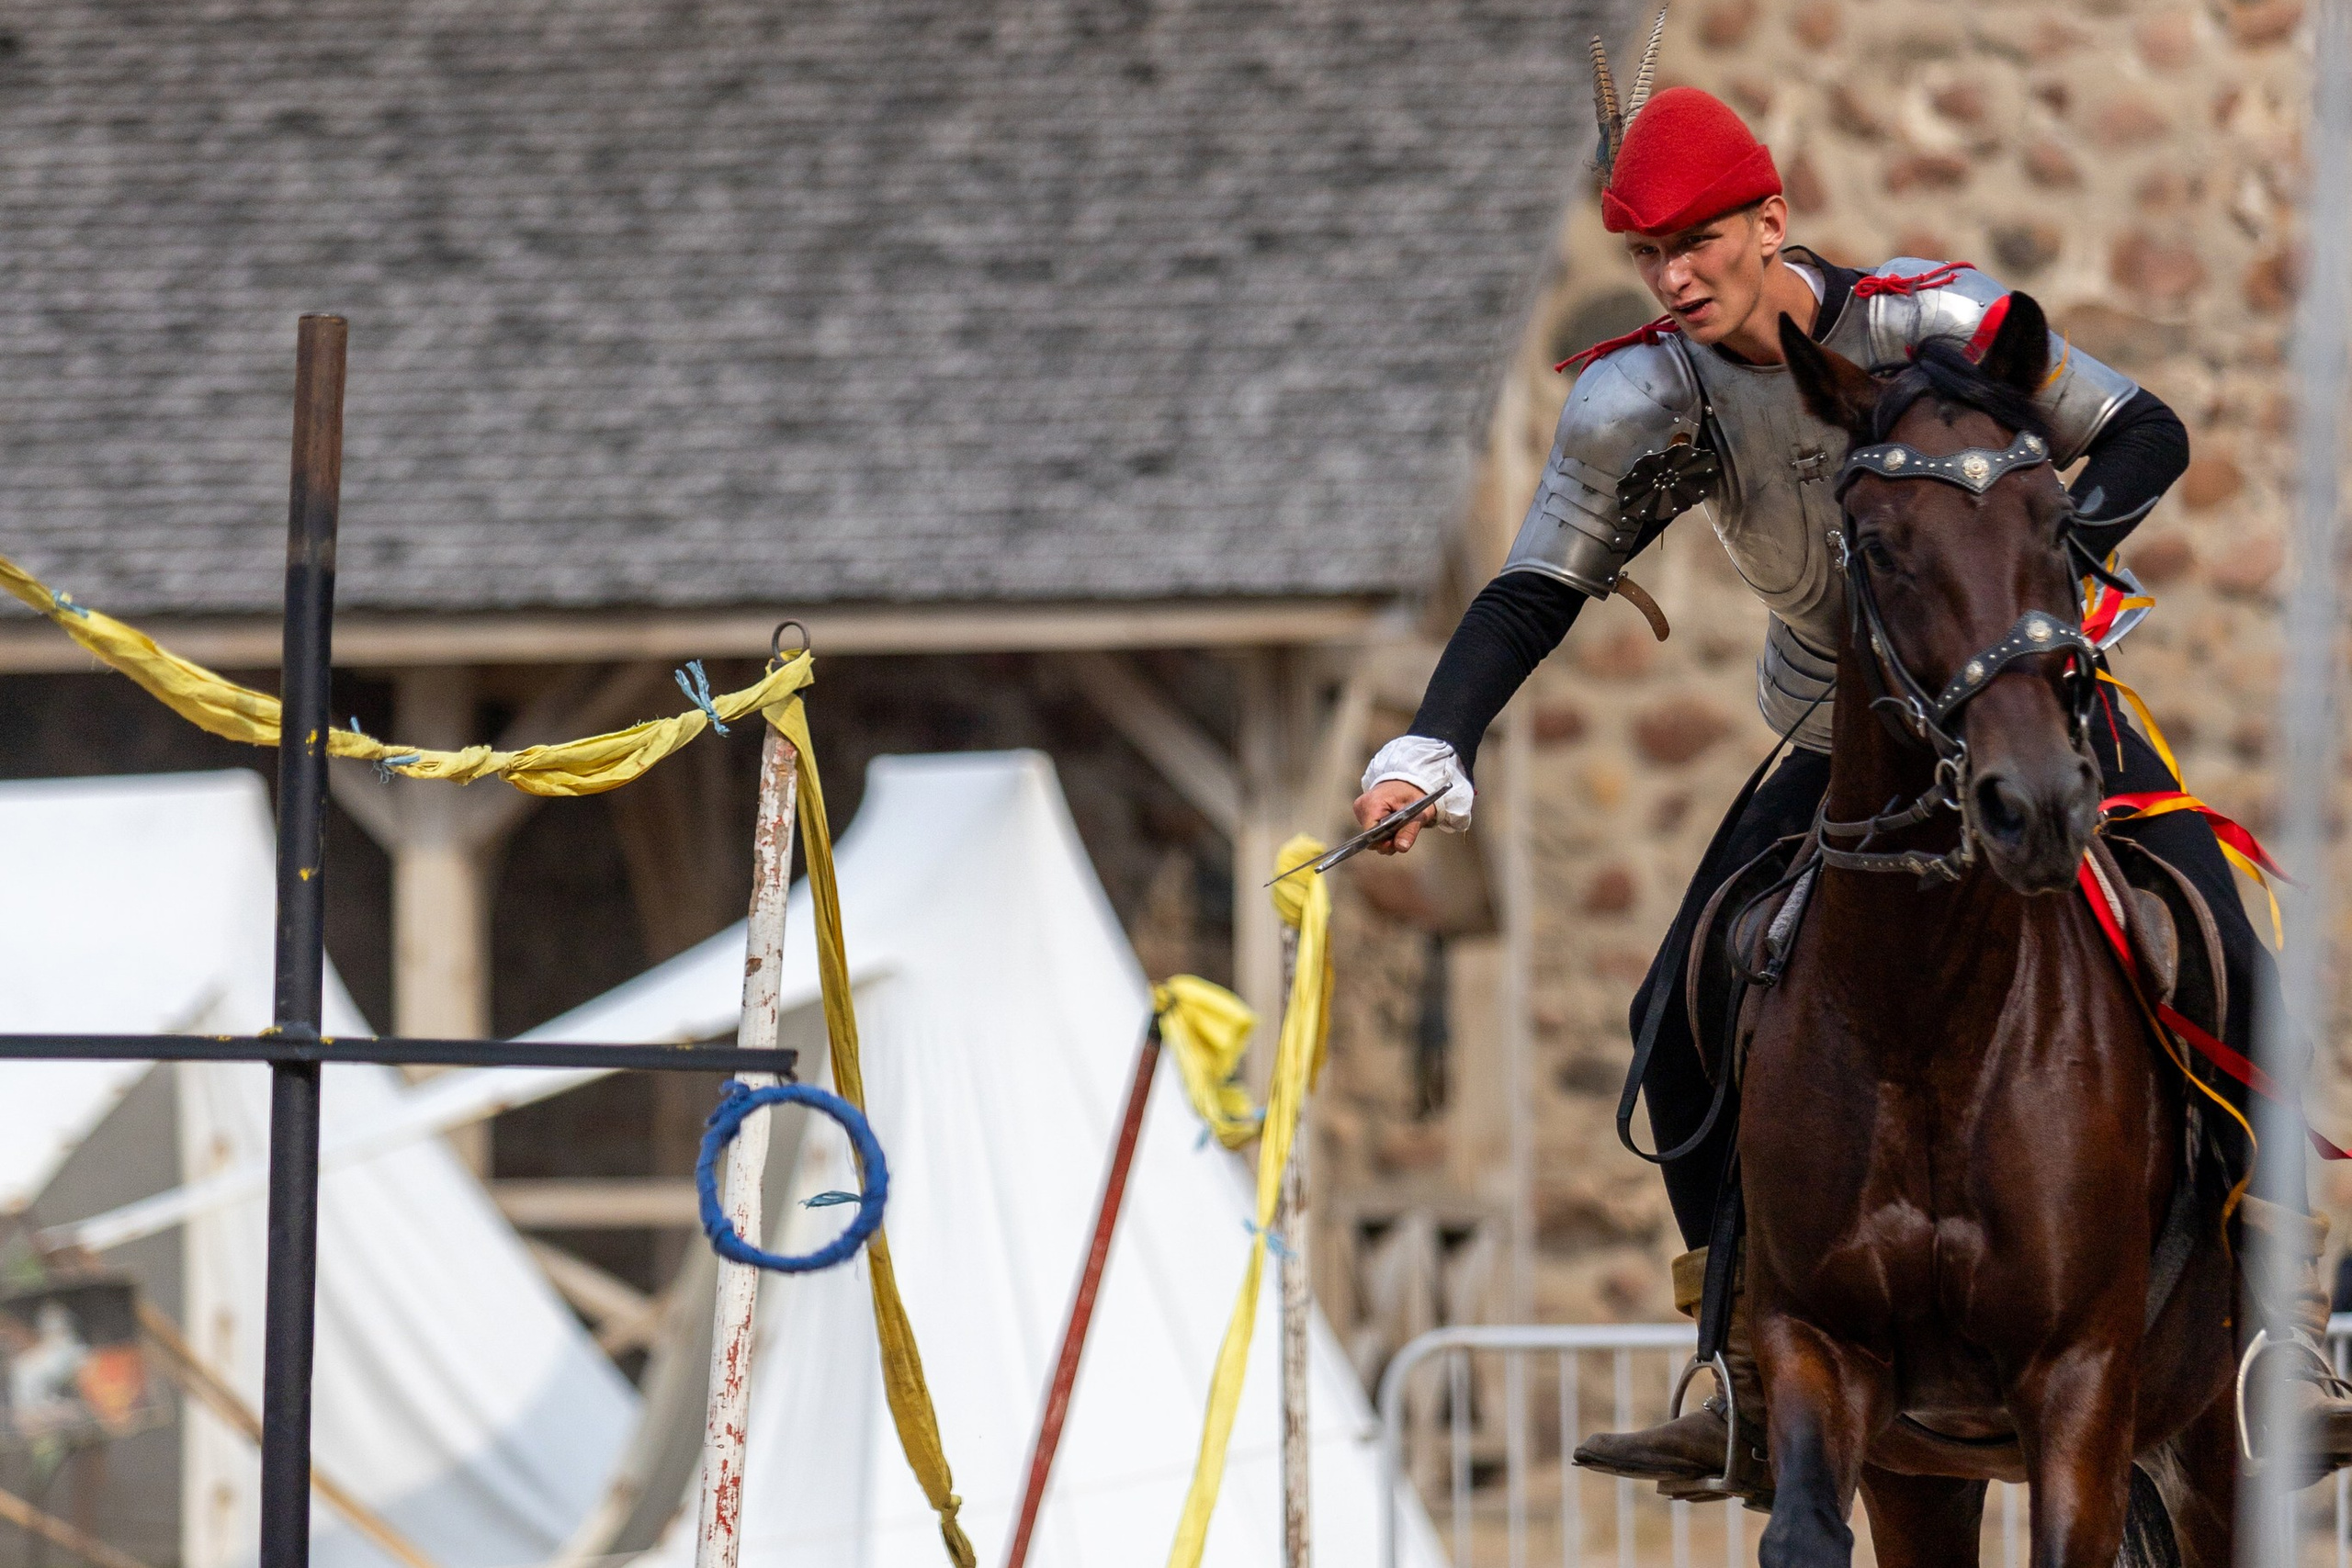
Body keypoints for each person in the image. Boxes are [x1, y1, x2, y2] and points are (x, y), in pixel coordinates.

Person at [1351, 76, 2352, 1497]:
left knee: (2222, 944)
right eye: (1647, 255)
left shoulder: (1937, 328)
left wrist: (2037, 586)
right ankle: (1750, 1368)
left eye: (1700, 240)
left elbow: (2149, 434)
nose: (1674, 276)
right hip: (1840, 740)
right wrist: (1430, 744)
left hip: (2019, 703)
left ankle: (2287, 1342)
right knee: (1670, 1010)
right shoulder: (1636, 401)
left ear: (1773, 220)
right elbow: (1530, 590)